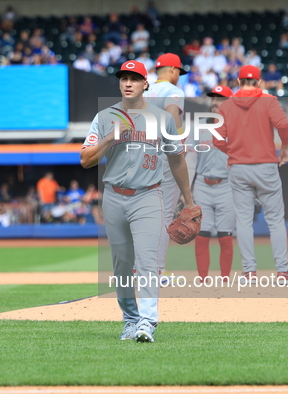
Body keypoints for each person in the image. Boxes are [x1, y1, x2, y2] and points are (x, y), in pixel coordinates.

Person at [80, 60, 197, 343]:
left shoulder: (163, 117)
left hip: (148, 195)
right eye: (124, 78)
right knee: (121, 265)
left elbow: (177, 159)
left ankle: (147, 321)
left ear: (146, 84)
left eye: (134, 78)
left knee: (146, 261)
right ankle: (130, 320)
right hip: (114, 197)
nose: (128, 83)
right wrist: (110, 138)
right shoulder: (105, 116)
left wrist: (189, 199)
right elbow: (85, 160)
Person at [213, 65, 288, 284]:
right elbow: (284, 124)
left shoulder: (226, 105)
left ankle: (249, 272)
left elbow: (216, 139)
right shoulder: (268, 101)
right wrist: (285, 147)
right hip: (266, 166)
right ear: (258, 83)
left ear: (239, 83)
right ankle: (282, 272)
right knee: (276, 220)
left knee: (243, 220)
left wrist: (232, 152)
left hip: (239, 167)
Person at [143, 53, 193, 283]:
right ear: (173, 70)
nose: (179, 78)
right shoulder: (173, 91)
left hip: (141, 157)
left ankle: (138, 270)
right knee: (163, 216)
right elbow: (173, 113)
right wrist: (178, 142)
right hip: (163, 156)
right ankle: (157, 272)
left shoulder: (144, 90)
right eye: (178, 73)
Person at [193, 86, 235, 281]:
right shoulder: (200, 125)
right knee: (201, 235)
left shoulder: (238, 127)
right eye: (213, 98)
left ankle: (225, 279)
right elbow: (189, 158)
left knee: (225, 235)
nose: (215, 102)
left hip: (227, 185)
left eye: (221, 98)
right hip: (202, 183)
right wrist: (186, 191)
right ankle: (203, 279)